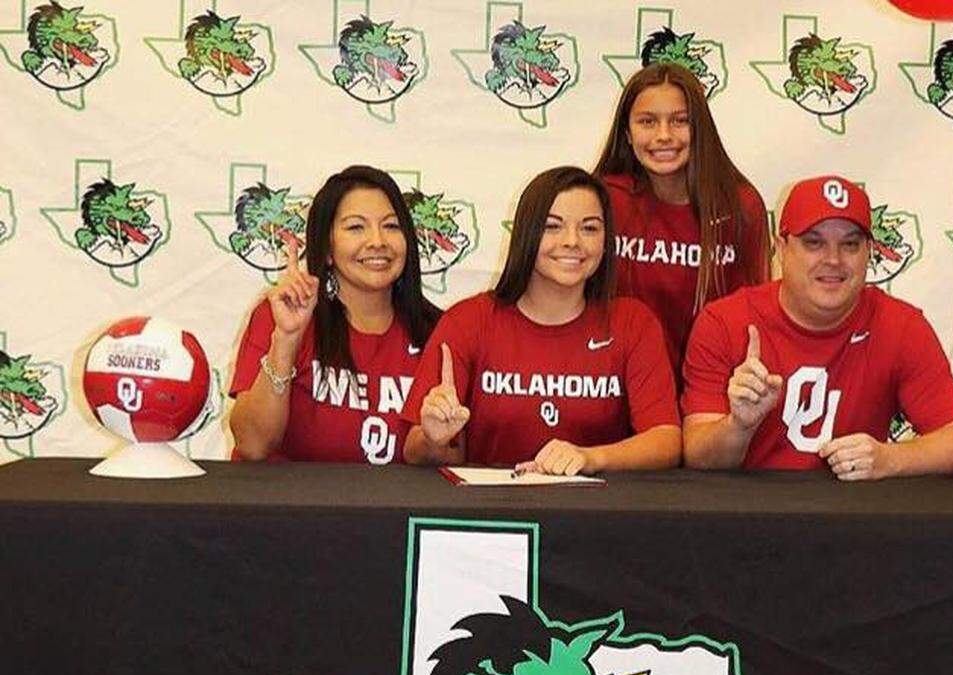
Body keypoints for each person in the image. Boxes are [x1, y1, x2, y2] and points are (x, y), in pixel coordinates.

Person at [681, 175, 953, 479]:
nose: (833, 260)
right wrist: (739, 425)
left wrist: (890, 459)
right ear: (781, 248)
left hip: (853, 518)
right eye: (814, 243)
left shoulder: (900, 326)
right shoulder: (725, 322)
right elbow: (698, 456)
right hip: (748, 517)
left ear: (868, 252)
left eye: (850, 244)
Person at [402, 166, 680, 475]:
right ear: (526, 232)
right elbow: (414, 448)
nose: (572, 241)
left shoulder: (632, 322)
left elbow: (665, 440)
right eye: (552, 226)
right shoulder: (468, 320)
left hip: (597, 515)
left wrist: (590, 458)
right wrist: (434, 439)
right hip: (488, 513)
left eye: (589, 228)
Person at [229, 165, 439, 464]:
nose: (377, 241)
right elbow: (253, 445)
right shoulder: (282, 315)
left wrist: (437, 438)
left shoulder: (441, 332)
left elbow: (451, 458)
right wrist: (286, 341)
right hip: (291, 508)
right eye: (356, 227)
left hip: (396, 510)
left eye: (391, 226)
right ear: (327, 247)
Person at [594, 62, 771, 375]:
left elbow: (755, 312)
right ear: (627, 132)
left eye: (680, 121)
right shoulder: (604, 199)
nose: (663, 135)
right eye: (647, 122)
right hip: (616, 385)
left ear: (700, 129)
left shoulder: (740, 205)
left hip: (709, 389)